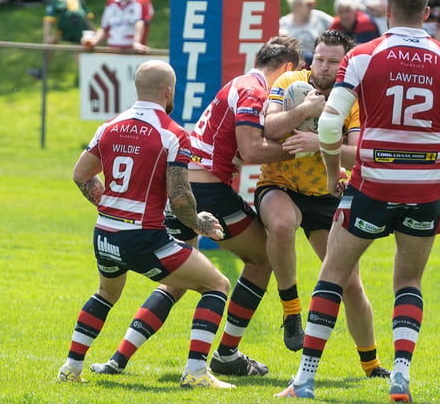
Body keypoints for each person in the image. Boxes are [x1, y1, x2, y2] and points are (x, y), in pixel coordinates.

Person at [276, 0, 440, 400]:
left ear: (387, 12)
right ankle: (401, 375)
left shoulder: (363, 55)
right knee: (408, 280)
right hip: (426, 187)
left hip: (372, 181)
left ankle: (305, 379)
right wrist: (439, 153)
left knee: (332, 273)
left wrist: (334, 167)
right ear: (427, 13)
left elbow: (332, 123)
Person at [87, 37, 302, 378]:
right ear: (288, 69)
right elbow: (252, 151)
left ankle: (118, 359)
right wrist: (302, 148)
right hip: (208, 190)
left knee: (178, 281)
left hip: (187, 187)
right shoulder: (254, 91)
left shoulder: (239, 84)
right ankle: (227, 354)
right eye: (297, 75)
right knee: (262, 258)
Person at [57, 60, 236, 390]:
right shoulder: (173, 133)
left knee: (106, 295)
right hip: (143, 238)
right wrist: (200, 223)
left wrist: (111, 206)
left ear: (137, 89)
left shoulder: (109, 126)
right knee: (217, 285)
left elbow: (80, 174)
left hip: (105, 233)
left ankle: (71, 367)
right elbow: (181, 198)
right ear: (169, 92)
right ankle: (196, 372)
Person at [257, 30, 391, 378]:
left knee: (349, 282)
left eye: (333, 61)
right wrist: (304, 109)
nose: (325, 66)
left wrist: (320, 142)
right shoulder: (289, 81)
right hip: (279, 182)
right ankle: (291, 312)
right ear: (311, 58)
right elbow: (270, 129)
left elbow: (359, 153)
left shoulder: (353, 98)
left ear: (344, 62)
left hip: (326, 193)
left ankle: (371, 363)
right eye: (320, 58)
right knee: (283, 225)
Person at [28, 0, 92, 78]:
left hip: (69, 21)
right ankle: (42, 72)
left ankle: (91, 75)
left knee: (76, 54)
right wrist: (93, 34)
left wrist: (44, 41)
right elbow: (87, 16)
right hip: (80, 21)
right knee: (53, 42)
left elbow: (48, 20)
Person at [82, 0, 152, 53]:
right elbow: (104, 28)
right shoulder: (111, 2)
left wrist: (136, 42)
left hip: (133, 51)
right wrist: (93, 41)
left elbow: (141, 22)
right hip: (113, 50)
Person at [279, 0, 333, 67]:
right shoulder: (284, 23)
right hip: (293, 62)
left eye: (314, 4)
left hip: (317, 60)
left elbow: (337, 25)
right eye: (309, 4)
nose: (313, 7)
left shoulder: (319, 17)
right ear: (297, 6)